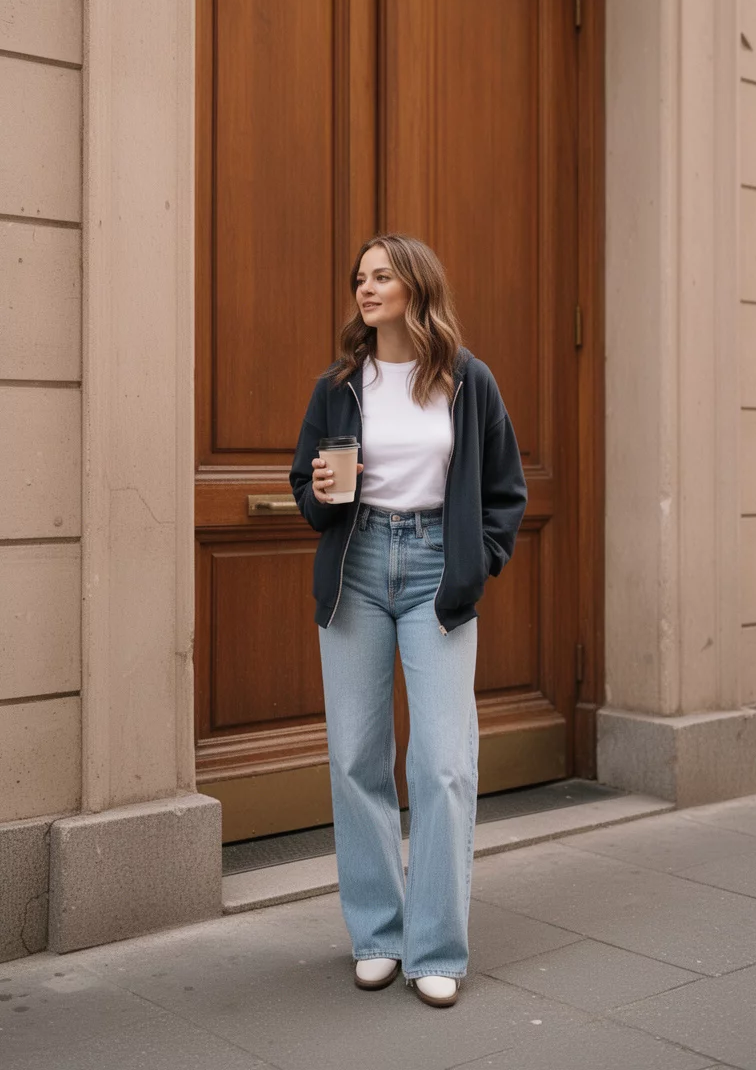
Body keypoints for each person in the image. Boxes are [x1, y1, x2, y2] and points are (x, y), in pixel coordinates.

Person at [289, 234, 528, 1008]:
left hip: (434, 571)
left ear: (416, 284)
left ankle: (435, 946)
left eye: (382, 275)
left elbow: (504, 486)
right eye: (360, 277)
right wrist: (321, 492)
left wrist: (478, 560)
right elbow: (306, 485)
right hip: (357, 568)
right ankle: (378, 935)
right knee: (358, 758)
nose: (366, 286)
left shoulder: (467, 381)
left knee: (443, 764)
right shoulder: (339, 384)